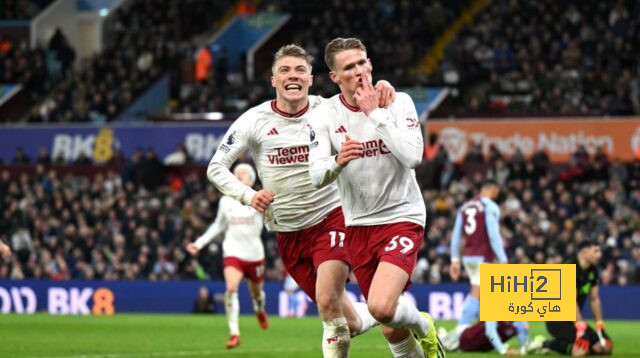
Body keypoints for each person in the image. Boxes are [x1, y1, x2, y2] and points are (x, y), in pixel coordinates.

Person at [207, 44, 395, 357]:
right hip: (288, 232)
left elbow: (362, 95)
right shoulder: (254, 120)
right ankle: (397, 313)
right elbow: (216, 167)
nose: (292, 76)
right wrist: (248, 194)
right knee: (346, 323)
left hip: (332, 217)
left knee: (326, 303)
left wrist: (385, 88)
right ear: (273, 80)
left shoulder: (327, 109)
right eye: (285, 70)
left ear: (310, 79)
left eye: (299, 70)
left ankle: (392, 315)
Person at [308, 37, 443, 358]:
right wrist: (337, 161)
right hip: (358, 224)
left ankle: (424, 325)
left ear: (370, 63)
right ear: (335, 77)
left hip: (402, 217)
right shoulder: (325, 115)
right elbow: (316, 176)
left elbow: (413, 156)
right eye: (348, 68)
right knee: (390, 326)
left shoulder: (398, 102)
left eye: (362, 63)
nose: (358, 72)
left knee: (381, 307)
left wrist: (375, 114)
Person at [186, 164, 268, 349]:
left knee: (257, 294)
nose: (238, 175)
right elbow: (218, 226)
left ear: (251, 179)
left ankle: (259, 309)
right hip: (233, 252)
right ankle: (234, 333)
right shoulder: (226, 201)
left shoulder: (259, 198)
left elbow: (272, 220)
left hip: (255, 254)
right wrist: (198, 244)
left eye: (243, 173)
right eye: (236, 173)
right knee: (231, 289)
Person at [449, 179, 509, 346]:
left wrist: (455, 259)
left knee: (478, 291)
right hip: (483, 256)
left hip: (468, 257)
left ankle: (474, 331)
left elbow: (455, 235)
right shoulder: (490, 207)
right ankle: (461, 333)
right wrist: (503, 258)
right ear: (491, 189)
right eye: (496, 191)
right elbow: (492, 233)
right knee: (481, 294)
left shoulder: (465, 207)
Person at [529, 241, 613, 356]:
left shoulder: (593, 270)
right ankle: (544, 343)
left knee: (603, 349)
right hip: (557, 318)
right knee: (581, 351)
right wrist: (579, 326)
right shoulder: (570, 268)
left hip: (571, 318)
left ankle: (557, 344)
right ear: (584, 252)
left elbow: (594, 299)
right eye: (595, 251)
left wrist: (600, 326)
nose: (599, 254)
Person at [438, 321, 528, 355]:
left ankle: (443, 333)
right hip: (461, 338)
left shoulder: (519, 321)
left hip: (472, 347)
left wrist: (524, 348)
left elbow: (524, 341)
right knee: (436, 344)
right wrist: (503, 350)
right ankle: (442, 334)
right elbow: (490, 332)